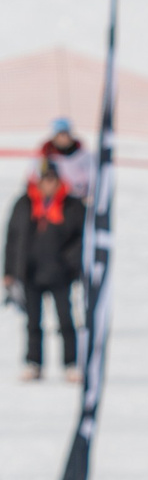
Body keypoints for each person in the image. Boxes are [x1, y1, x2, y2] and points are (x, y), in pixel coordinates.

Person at [6, 157, 86, 380]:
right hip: (30, 272)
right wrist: (9, 272)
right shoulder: (25, 203)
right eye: (44, 179)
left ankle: (70, 363)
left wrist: (70, 264)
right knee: (33, 321)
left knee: (65, 319)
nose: (47, 183)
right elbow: (13, 238)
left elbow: (81, 239)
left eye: (51, 179)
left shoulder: (72, 205)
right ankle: (34, 363)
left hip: (60, 273)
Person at [39, 118, 92, 200]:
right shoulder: (47, 157)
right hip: (56, 204)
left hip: (79, 201)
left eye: (65, 133)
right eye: (60, 134)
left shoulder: (84, 156)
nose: (63, 138)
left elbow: (93, 179)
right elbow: (36, 180)